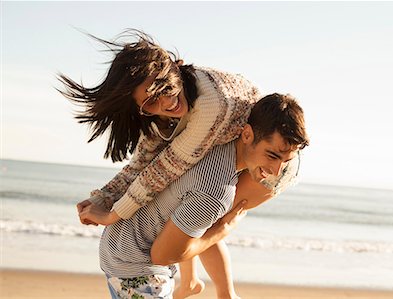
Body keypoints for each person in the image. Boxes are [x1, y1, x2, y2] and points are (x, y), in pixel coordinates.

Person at [58, 29, 309, 298]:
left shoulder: (212, 106)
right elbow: (143, 165)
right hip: (247, 144)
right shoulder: (167, 117)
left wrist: (113, 214)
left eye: (165, 88)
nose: (166, 102)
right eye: (150, 101)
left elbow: (163, 171)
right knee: (195, 212)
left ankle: (224, 293)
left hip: (269, 148)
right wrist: (104, 198)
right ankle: (193, 282)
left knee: (210, 216)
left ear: (174, 69)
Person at [98, 93, 309, 299]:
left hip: (118, 245)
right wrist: (220, 231)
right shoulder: (216, 192)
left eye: (286, 161)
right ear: (246, 134)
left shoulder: (212, 139)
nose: (276, 170)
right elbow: (163, 256)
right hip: (136, 268)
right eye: (272, 155)